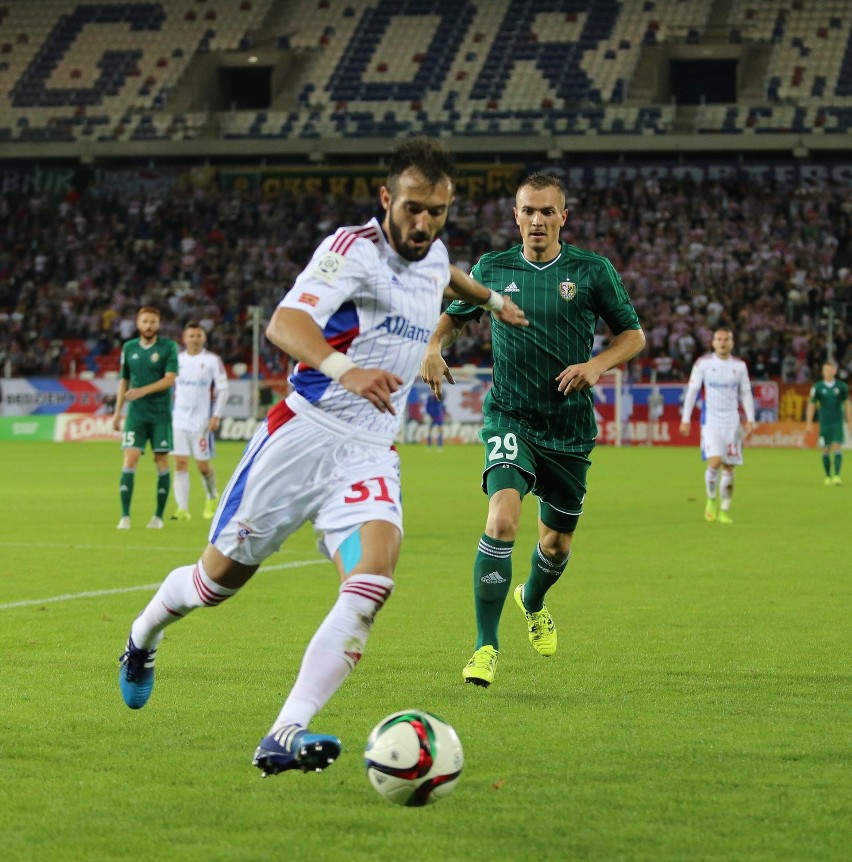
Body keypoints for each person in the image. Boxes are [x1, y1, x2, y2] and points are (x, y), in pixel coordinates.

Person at [117, 138, 527, 777]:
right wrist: (346, 369)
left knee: (373, 581)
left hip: (369, 451)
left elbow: (445, 273)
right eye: (414, 209)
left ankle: (285, 730)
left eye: (438, 212)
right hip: (302, 435)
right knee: (212, 585)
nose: (424, 225)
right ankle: (141, 638)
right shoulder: (350, 251)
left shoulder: (436, 250)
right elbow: (284, 324)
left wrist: (494, 302)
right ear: (387, 198)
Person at [420, 172, 645, 688]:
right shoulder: (492, 268)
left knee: (557, 544)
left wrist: (596, 366)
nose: (538, 220)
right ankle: (484, 646)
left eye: (548, 211)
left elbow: (632, 336)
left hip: (568, 426)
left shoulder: (591, 271)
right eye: (529, 210)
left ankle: (533, 599)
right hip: (510, 416)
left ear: (563, 217)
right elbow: (454, 317)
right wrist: (433, 347)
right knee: (502, 519)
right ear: (515, 216)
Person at [679, 327, 755, 523]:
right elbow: (692, 390)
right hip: (711, 421)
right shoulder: (703, 364)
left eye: (726, 339)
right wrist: (685, 419)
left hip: (732, 422)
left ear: (732, 343)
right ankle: (711, 499)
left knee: (729, 467)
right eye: (719, 339)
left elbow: (746, 393)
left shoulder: (739, 366)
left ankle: (724, 510)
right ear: (713, 343)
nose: (723, 342)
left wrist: (751, 418)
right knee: (715, 462)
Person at [112, 306, 179, 530]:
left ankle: (158, 517)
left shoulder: (168, 347)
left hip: (160, 414)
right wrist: (117, 411)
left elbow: (170, 379)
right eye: (145, 322)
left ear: (158, 324)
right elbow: (124, 380)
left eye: (153, 322)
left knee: (160, 461)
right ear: (138, 324)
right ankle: (125, 516)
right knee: (130, 459)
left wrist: (142, 391)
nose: (149, 326)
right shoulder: (128, 348)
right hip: (136, 415)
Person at [170, 322, 230, 520]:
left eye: (198, 336)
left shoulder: (212, 360)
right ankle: (182, 509)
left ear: (204, 338)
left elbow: (223, 389)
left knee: (203, 466)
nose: (195, 339)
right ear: (184, 338)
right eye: (191, 336)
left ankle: (212, 496)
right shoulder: (176, 360)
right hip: (178, 419)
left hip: (201, 422)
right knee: (180, 463)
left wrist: (216, 415)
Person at [805, 359, 851, 486]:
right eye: (826, 370)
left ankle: (836, 475)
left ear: (835, 371)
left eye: (831, 370)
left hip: (837, 422)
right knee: (825, 449)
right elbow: (811, 404)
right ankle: (827, 476)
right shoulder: (818, 387)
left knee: (837, 446)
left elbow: (847, 404)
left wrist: (850, 421)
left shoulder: (842, 387)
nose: (828, 372)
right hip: (824, 423)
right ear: (822, 371)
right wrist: (809, 422)